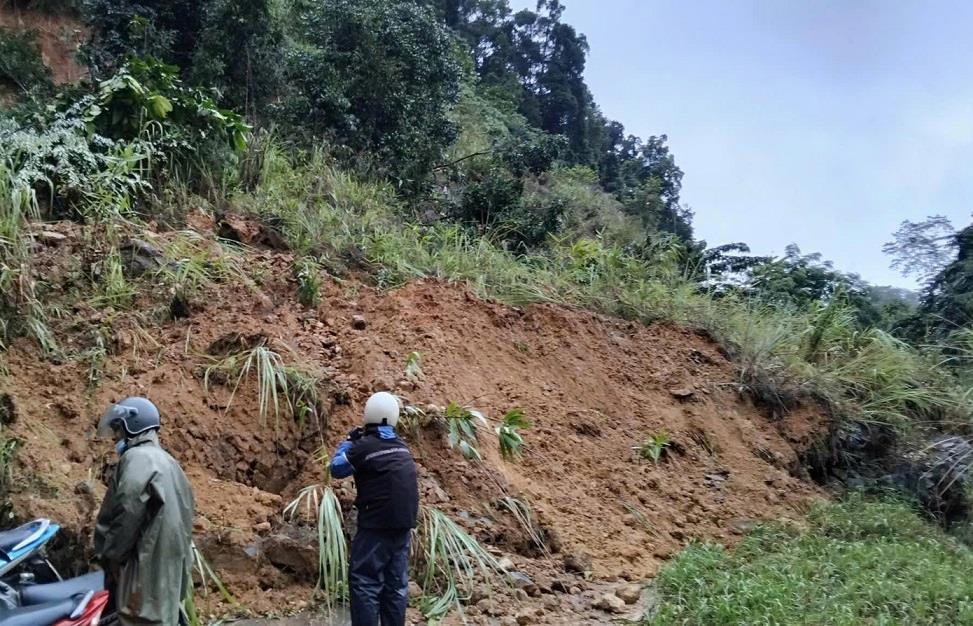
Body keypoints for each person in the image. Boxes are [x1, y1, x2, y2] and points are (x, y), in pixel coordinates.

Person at [94, 397, 195, 626]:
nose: (117, 438)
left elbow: (126, 511)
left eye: (119, 431)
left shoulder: (136, 459)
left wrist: (111, 557)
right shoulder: (170, 463)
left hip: (144, 569)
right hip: (170, 572)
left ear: (133, 426)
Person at [330, 391, 419, 626]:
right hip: (403, 524)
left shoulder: (364, 446)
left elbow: (337, 469)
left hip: (376, 524)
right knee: (395, 584)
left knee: (365, 582)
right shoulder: (401, 446)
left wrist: (348, 442)